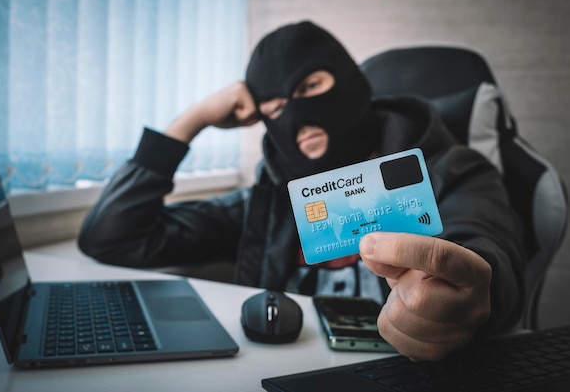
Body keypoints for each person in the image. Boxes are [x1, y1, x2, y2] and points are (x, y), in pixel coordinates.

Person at [78, 21, 527, 361]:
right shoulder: (271, 201)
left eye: (310, 86)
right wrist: (191, 121)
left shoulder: (452, 169)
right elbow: (114, 236)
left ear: (350, 81)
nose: (292, 115)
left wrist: (465, 295)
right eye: (273, 107)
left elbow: (487, 252)